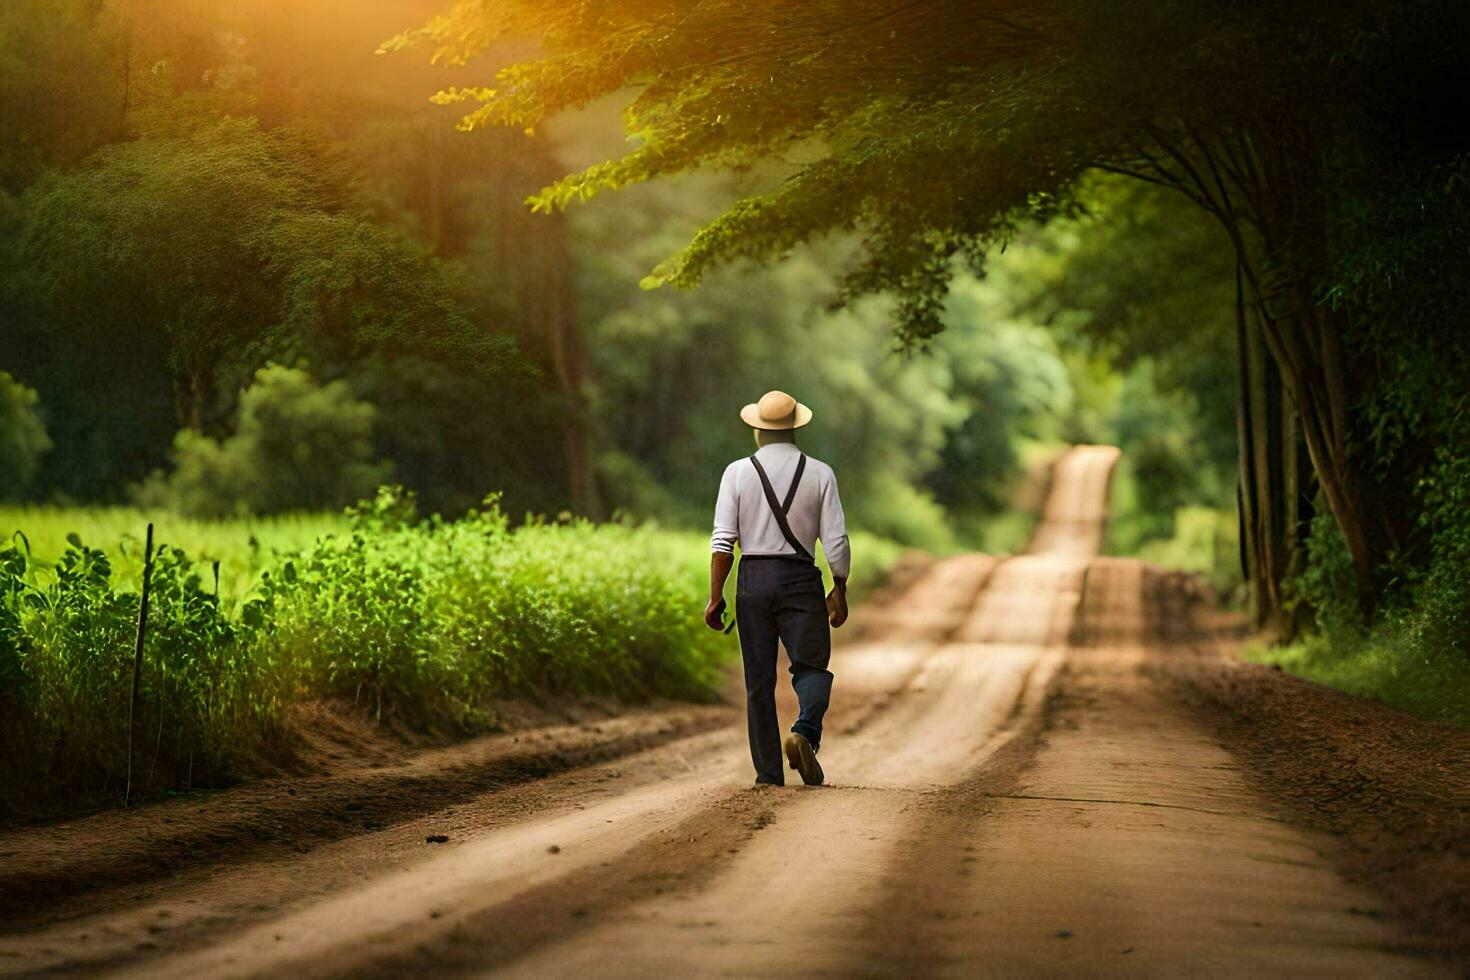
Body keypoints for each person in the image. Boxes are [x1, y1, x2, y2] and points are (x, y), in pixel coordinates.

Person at [705, 389, 850, 787]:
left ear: (756, 429)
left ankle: (768, 774)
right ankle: (804, 732)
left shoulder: (736, 472)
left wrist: (716, 596)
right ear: (794, 429)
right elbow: (835, 541)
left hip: (753, 580)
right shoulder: (820, 473)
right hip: (802, 579)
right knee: (812, 667)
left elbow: (723, 542)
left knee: (758, 681)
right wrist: (839, 587)